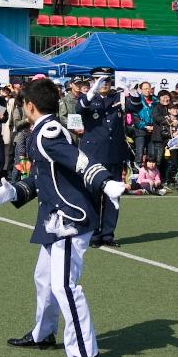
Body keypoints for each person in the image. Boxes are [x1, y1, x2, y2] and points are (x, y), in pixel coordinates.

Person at [0, 77, 125, 357]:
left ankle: (86, 354)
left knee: (65, 286)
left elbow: (78, 160)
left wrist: (105, 182)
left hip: (69, 219)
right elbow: (45, 177)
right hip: (55, 218)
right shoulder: (45, 130)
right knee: (43, 278)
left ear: (29, 106)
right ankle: (43, 333)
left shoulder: (47, 131)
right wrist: (15, 190)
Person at [77, 68, 128, 247]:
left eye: (107, 80)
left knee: (112, 197)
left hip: (114, 153)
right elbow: (79, 108)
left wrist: (134, 93)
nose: (104, 83)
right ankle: (93, 234)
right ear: (92, 81)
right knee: (93, 195)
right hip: (94, 155)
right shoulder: (89, 98)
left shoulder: (117, 97)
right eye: (100, 80)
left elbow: (135, 107)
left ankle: (108, 234)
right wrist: (91, 91)